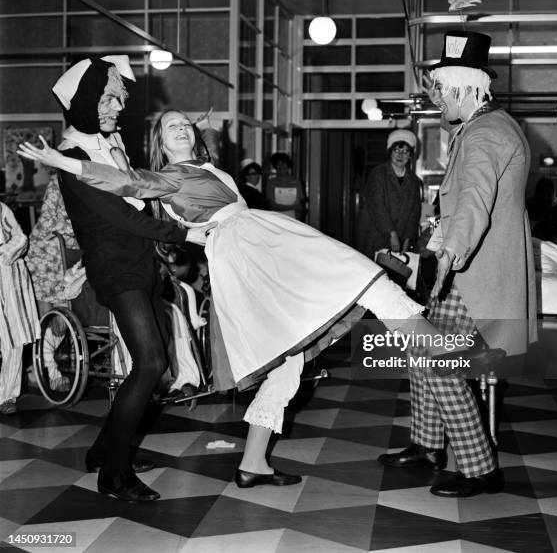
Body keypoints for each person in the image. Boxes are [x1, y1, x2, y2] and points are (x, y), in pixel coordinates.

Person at [20, 109, 473, 490]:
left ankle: (253, 462)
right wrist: (62, 159)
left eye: (185, 124)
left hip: (258, 239)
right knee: (360, 276)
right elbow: (120, 182)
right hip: (249, 251)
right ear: (160, 141)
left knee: (289, 358)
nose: (180, 127)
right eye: (170, 126)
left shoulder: (207, 167)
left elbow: (205, 203)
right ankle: (438, 345)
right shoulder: (166, 177)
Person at [31, 56, 207, 503]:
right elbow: (119, 216)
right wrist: (186, 234)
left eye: (117, 99)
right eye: (108, 98)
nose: (116, 107)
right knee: (151, 364)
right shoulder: (72, 157)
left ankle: (102, 451)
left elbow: (141, 196)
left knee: (151, 362)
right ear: (86, 101)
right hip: (114, 269)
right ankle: (114, 474)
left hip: (141, 267)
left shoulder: (110, 144)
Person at [378, 30, 537, 497]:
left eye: (443, 91)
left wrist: (449, 253)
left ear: (465, 88)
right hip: (469, 276)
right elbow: (460, 143)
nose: (438, 100)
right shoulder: (482, 125)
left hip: (476, 276)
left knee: (438, 358)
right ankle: (429, 444)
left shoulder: (487, 133)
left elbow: (473, 201)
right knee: (419, 347)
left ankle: (479, 467)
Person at [25, 174, 79, 392]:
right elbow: (47, 219)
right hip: (43, 256)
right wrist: (79, 229)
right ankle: (49, 370)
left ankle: (39, 368)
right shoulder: (60, 180)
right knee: (47, 320)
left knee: (61, 322)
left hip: (70, 257)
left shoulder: (94, 181)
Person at [0, 201, 40, 415]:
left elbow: (20, 238)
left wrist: (5, 254)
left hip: (8, 279)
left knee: (13, 337)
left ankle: (7, 395)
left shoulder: (1, 209)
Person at [356, 129, 422, 257]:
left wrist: (408, 239)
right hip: (374, 238)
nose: (400, 155)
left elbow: (414, 212)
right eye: (396, 150)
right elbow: (377, 207)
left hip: (401, 242)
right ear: (390, 152)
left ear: (410, 155)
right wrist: (392, 234)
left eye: (405, 151)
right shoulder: (378, 174)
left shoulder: (414, 181)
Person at [265, 151, 305, 219]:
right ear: (275, 166)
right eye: (278, 164)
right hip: (276, 219)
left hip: (293, 219)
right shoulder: (271, 182)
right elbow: (272, 205)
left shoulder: (296, 182)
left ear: (288, 165)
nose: (281, 166)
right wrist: (292, 207)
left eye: (284, 163)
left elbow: (299, 206)